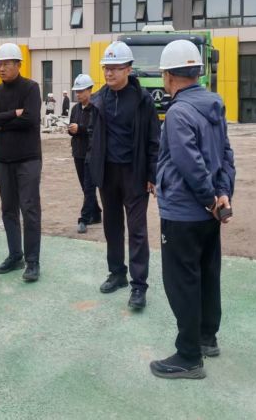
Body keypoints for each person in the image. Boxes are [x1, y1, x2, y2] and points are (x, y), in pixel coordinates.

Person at [148, 40, 235, 380]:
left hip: (183, 212)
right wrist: (222, 194)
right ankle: (206, 337)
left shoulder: (178, 112)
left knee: (181, 281)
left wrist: (208, 198)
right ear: (197, 72)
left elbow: (189, 163)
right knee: (207, 273)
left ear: (169, 76)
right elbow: (225, 154)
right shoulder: (214, 105)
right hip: (209, 213)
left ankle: (188, 356)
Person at [87, 41, 160, 310]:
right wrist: (93, 169)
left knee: (137, 230)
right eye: (106, 68)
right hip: (108, 173)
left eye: (115, 68)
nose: (109, 73)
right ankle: (117, 273)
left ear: (129, 69)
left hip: (135, 173)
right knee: (112, 225)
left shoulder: (143, 101)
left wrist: (152, 174)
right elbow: (93, 137)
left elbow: (154, 140)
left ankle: (138, 285)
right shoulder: (99, 99)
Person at [0, 43, 43, 282]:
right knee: (8, 209)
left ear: (19, 64)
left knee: (29, 209)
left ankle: (32, 261)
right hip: (4, 159)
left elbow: (30, 119)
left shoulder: (31, 88)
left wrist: (3, 122)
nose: (2, 68)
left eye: (7, 63)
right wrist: (13, 114)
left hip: (28, 159)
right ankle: (15, 255)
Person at [68, 74, 102, 234]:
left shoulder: (96, 108)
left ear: (89, 90)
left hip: (91, 153)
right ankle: (96, 213)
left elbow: (95, 130)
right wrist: (72, 130)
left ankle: (84, 218)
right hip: (78, 152)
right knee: (85, 186)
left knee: (89, 187)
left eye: (81, 91)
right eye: (77, 91)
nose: (78, 94)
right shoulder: (75, 109)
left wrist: (80, 129)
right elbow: (72, 127)